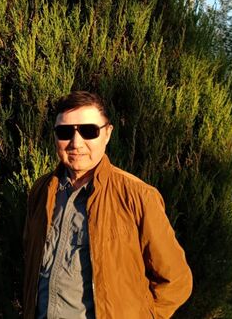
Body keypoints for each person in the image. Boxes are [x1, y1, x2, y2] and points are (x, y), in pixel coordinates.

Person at [23, 91, 193, 319]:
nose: (76, 143)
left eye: (89, 131)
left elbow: (176, 279)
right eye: (65, 132)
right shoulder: (42, 191)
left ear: (107, 133)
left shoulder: (137, 196)